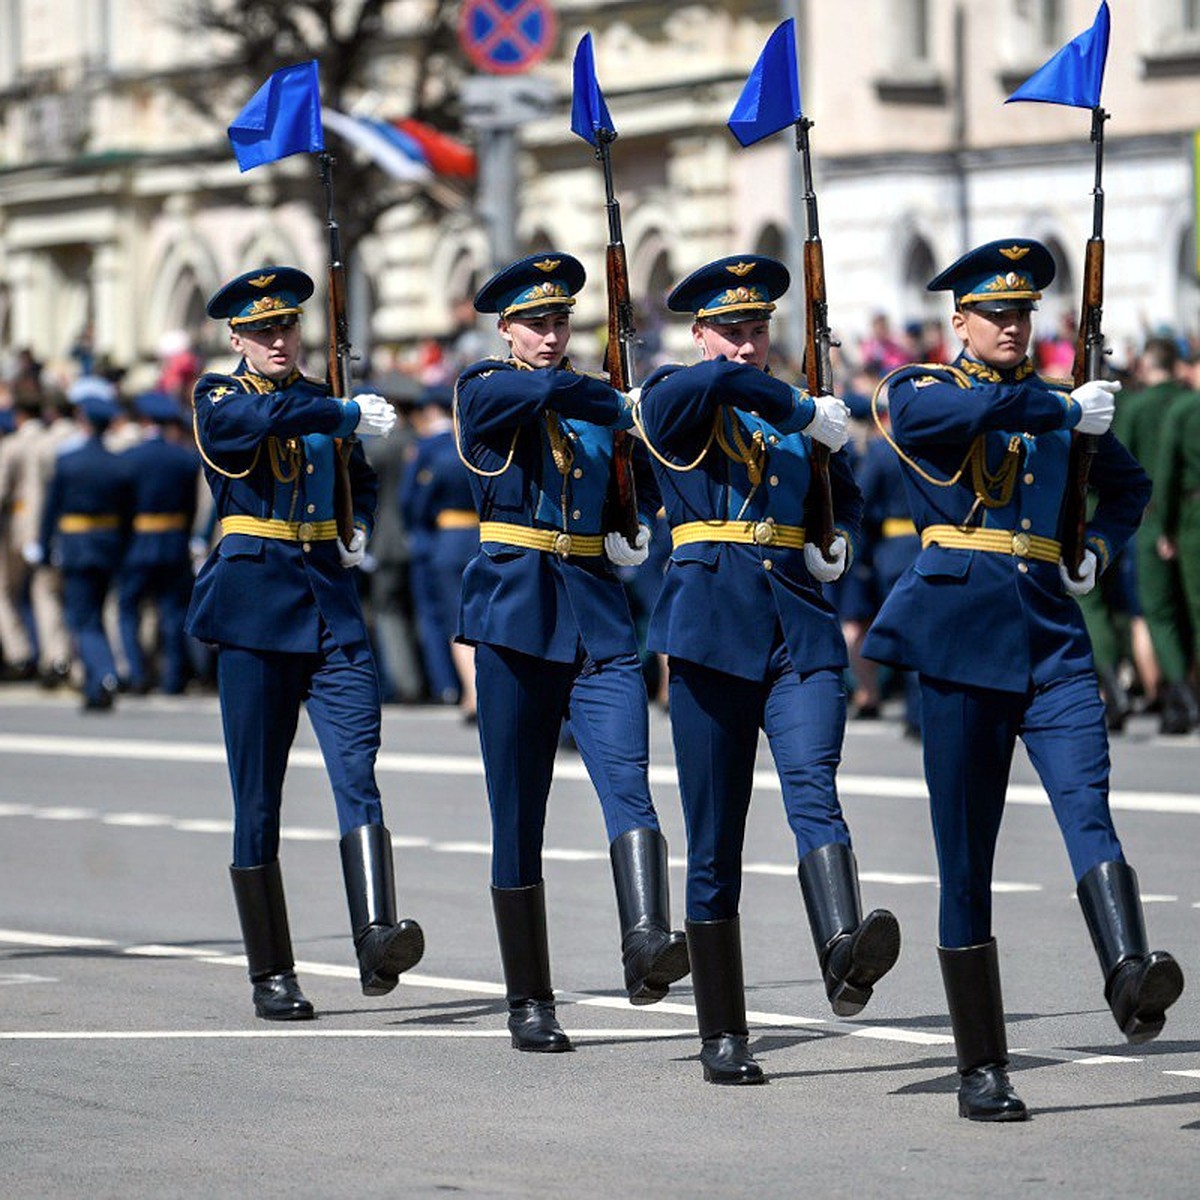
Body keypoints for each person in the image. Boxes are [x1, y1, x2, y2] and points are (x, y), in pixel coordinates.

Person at [862, 239, 1183, 1122]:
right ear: (957, 321)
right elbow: (939, 429)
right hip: (962, 636)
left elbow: (1128, 487)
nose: (1012, 325)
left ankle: (1128, 972)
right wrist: (1059, 409)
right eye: (994, 313)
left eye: (1023, 313)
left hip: (1050, 631)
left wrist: (1096, 547)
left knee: (1089, 802)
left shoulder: (1060, 410)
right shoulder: (924, 389)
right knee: (968, 857)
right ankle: (980, 1065)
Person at [635, 255, 900, 1085]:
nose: (749, 346)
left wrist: (836, 539)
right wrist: (798, 406)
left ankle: (841, 949)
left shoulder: (800, 414)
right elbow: (696, 398)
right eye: (733, 330)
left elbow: (846, 497)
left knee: (814, 786)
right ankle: (724, 1031)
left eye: (759, 330)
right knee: (716, 839)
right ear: (700, 333)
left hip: (798, 631)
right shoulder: (676, 394)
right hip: (711, 629)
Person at [454, 252, 689, 1053]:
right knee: (519, 815)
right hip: (516, 613)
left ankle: (647, 941)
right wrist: (619, 398)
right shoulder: (485, 387)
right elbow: (552, 393)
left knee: (631, 782)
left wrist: (636, 515)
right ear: (506, 329)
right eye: (537, 322)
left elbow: (649, 478)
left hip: (595, 612)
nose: (552, 336)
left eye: (561, 322)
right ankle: (530, 999)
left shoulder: (596, 403)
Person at [185, 266, 423, 1020]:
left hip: (328, 600)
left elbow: (359, 476)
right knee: (258, 798)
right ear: (236, 339)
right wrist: (340, 413)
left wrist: (355, 527)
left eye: (286, 327)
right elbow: (251, 431)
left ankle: (376, 935)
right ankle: (271, 973)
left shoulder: (326, 400)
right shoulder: (218, 397)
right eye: (260, 331)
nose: (276, 340)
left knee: (359, 769)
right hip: (254, 608)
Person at [37, 381, 134, 711]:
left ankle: (105, 674)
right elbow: (127, 514)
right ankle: (94, 689)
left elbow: (51, 508)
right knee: (96, 613)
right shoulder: (119, 464)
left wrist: (43, 544)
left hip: (76, 545)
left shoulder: (69, 461)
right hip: (108, 546)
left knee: (82, 618)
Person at [398, 383, 479, 720]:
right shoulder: (468, 445)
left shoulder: (429, 449)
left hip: (444, 541)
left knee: (453, 621)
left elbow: (412, 501)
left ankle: (467, 693)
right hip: (480, 537)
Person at [117, 391, 202, 695]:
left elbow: (122, 508)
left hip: (138, 542)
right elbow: (192, 507)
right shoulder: (185, 458)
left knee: (128, 609)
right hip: (174, 540)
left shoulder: (129, 457)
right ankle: (173, 678)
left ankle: (137, 673)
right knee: (172, 611)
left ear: (143, 420)